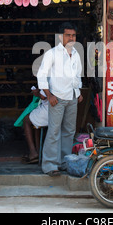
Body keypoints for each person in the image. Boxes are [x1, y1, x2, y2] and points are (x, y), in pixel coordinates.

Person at [37, 22, 83, 176]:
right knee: (54, 131)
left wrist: (78, 91)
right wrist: (49, 95)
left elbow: (77, 76)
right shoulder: (52, 53)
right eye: (68, 35)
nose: (71, 38)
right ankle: (50, 166)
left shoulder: (76, 54)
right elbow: (41, 75)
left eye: (73, 35)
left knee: (69, 131)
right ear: (60, 37)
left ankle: (64, 162)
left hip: (72, 97)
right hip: (57, 97)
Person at [21, 87, 49, 164]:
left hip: (49, 111)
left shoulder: (46, 76)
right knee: (35, 121)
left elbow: (43, 96)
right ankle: (38, 151)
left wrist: (37, 93)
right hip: (60, 110)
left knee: (26, 120)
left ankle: (33, 152)